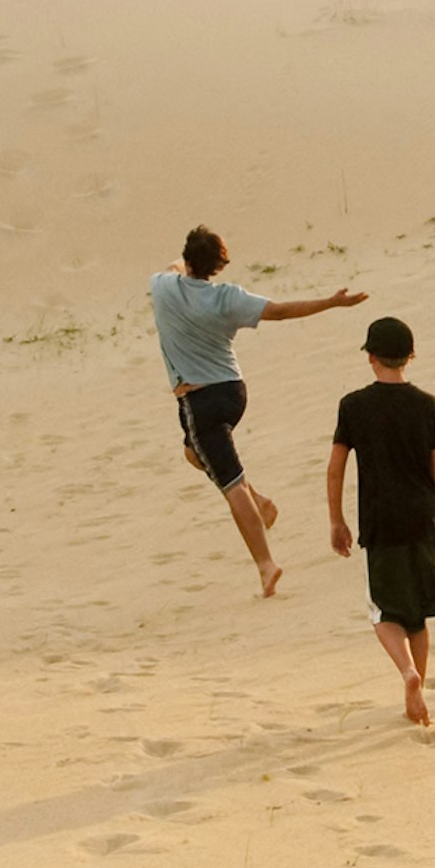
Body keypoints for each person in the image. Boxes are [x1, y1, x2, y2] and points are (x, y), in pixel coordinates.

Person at [150, 225, 367, 596]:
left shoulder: (163, 287)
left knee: (229, 482)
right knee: (194, 453)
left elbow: (170, 267)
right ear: (218, 266)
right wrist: (331, 302)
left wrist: (181, 263)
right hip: (233, 393)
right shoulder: (228, 298)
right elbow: (281, 312)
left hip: (198, 401)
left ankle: (266, 564)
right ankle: (260, 500)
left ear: (188, 260)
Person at [327, 315, 435, 726]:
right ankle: (416, 696)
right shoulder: (429, 406)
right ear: (411, 356)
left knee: (384, 612)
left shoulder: (353, 406)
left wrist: (337, 520)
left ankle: (406, 673)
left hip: (380, 520)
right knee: (417, 612)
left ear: (370, 357)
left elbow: (335, 468)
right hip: (423, 518)